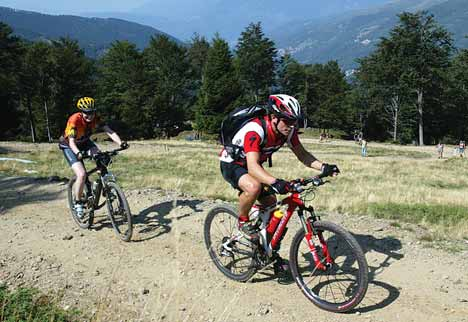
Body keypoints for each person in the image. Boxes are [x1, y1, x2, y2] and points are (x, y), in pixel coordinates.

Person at [219, 94, 340, 272]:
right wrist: (276, 182)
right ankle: (243, 221)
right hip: (233, 164)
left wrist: (324, 167)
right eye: (287, 121)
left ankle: (264, 250)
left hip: (252, 165)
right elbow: (252, 167)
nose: (291, 126)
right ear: (274, 117)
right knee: (254, 187)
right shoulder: (255, 130)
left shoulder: (288, 131)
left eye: (294, 122)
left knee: (271, 205)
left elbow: (302, 154)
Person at [59, 97, 127, 217]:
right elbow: (71, 142)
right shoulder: (74, 120)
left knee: (101, 158)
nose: (90, 116)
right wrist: (78, 154)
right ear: (81, 112)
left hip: (85, 142)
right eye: (87, 113)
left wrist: (120, 143)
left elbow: (109, 131)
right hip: (69, 146)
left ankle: (105, 186)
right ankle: (78, 202)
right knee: (81, 174)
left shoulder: (96, 118)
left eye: (92, 112)